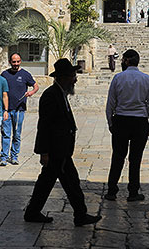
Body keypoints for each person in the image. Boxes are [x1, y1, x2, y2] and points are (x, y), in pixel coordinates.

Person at [24, 58, 101, 226]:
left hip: (61, 150)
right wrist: (43, 152)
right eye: (73, 75)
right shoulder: (51, 96)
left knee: (48, 182)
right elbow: (44, 126)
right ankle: (80, 215)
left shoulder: (61, 94)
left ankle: (33, 212)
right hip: (56, 151)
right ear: (63, 77)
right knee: (70, 184)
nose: (75, 79)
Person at [104, 49, 149, 202]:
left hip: (121, 120)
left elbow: (111, 103)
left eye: (122, 60)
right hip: (140, 121)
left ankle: (112, 191)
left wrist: (110, 122)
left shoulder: (118, 78)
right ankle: (133, 192)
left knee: (118, 156)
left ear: (127, 61)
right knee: (136, 158)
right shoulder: (146, 79)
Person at [0, 53, 39, 166]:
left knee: (16, 134)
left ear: (20, 61)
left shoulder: (25, 74)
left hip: (19, 109)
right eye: (14, 62)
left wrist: (31, 92)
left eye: (18, 62)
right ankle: (4, 157)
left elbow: (36, 86)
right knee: (6, 134)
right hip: (6, 109)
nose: (16, 64)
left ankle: (14, 156)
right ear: (10, 62)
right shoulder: (4, 74)